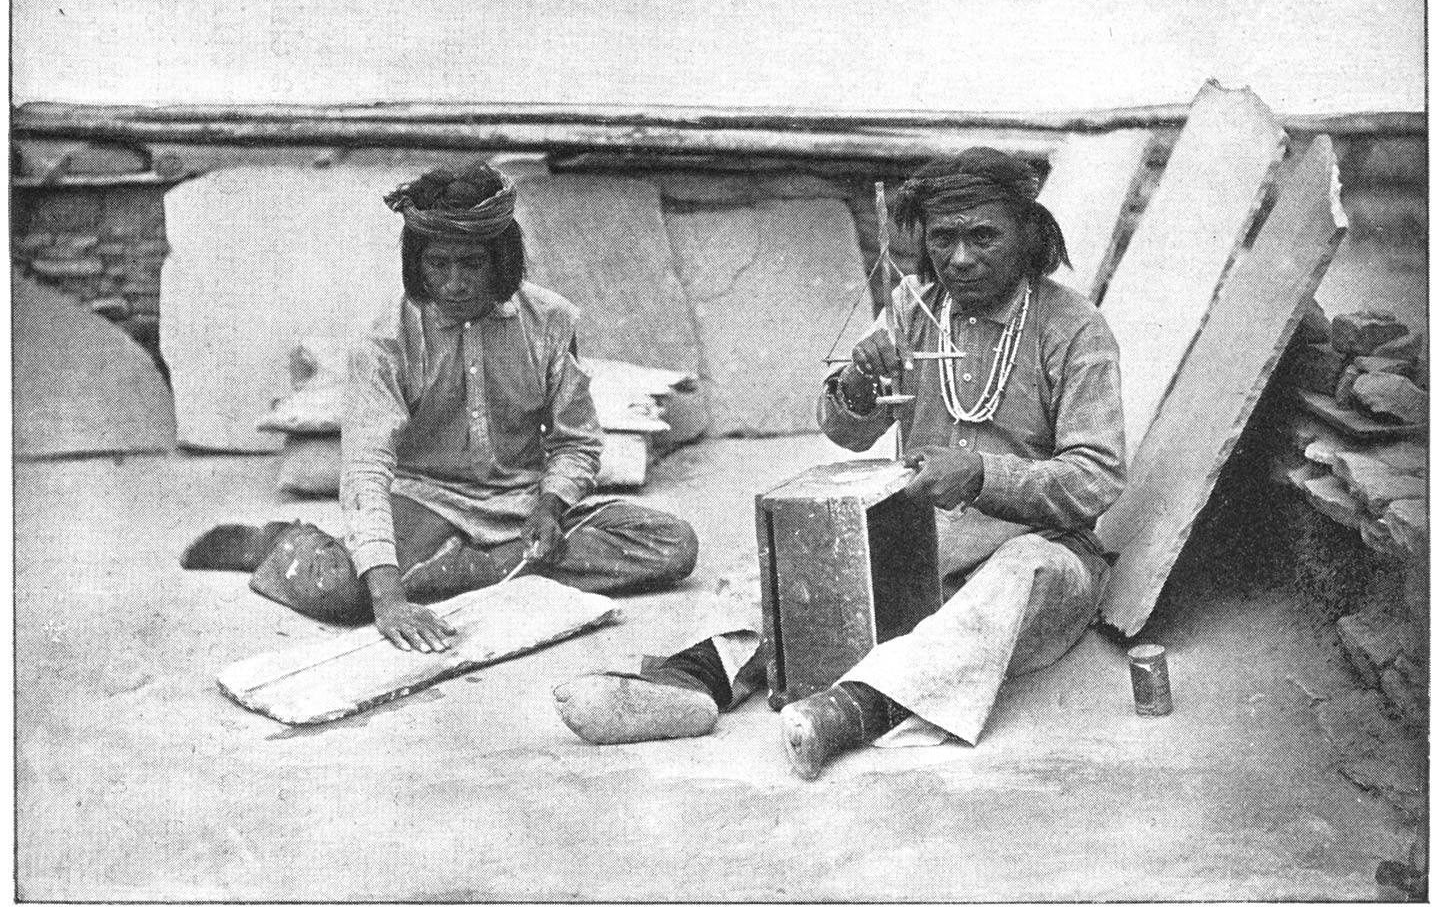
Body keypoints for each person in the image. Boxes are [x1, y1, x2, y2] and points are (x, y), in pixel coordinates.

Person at [552, 147, 1126, 779]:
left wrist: (982, 475)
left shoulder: (1074, 328)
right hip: (924, 541)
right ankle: (696, 679)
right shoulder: (913, 307)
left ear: (1027, 232)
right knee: (781, 557)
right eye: (943, 238)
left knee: (1017, 578)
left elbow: (1096, 477)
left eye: (983, 237)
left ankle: (853, 709)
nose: (960, 258)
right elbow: (848, 433)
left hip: (1041, 548)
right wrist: (857, 385)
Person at [184, 162, 699, 652]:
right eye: (438, 264)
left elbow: (575, 441)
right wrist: (388, 599)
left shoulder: (550, 321)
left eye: (472, 264)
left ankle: (458, 571)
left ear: (501, 261)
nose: (454, 284)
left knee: (670, 544)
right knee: (344, 595)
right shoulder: (384, 344)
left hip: (523, 503)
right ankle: (279, 544)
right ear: (417, 264)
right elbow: (365, 469)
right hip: (426, 502)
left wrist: (551, 505)